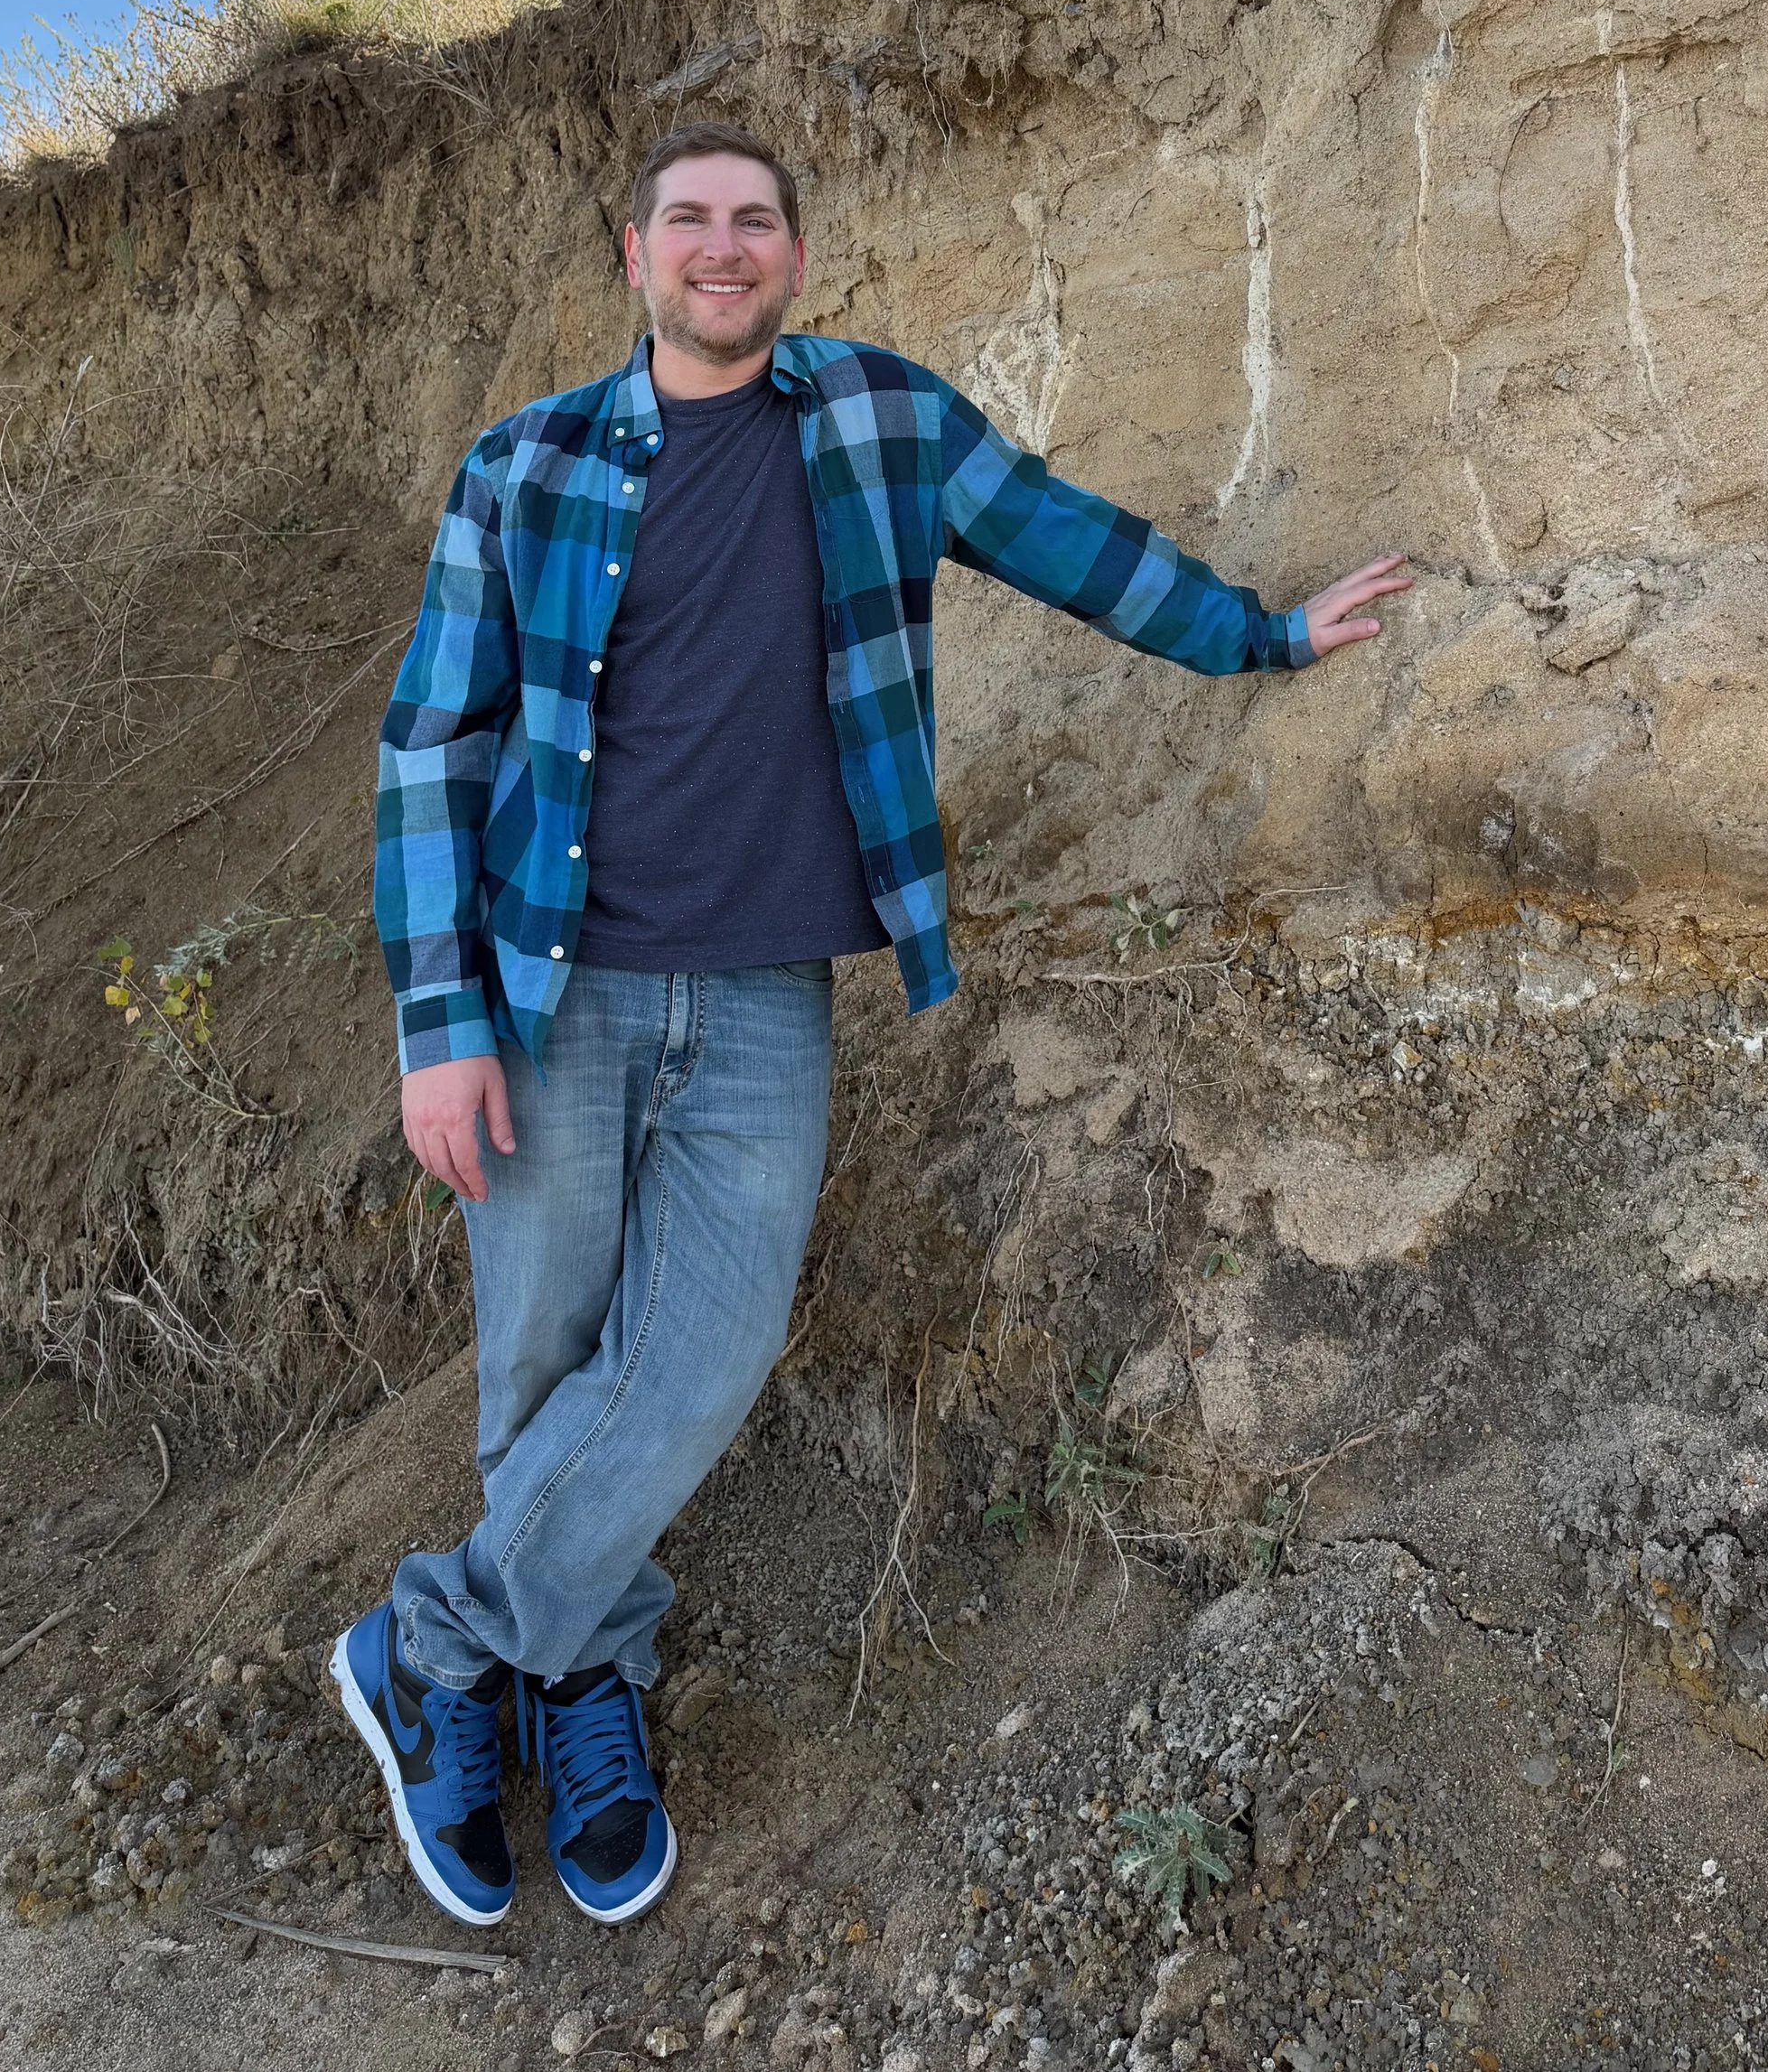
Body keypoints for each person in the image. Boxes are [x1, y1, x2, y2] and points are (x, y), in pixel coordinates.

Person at [334, 118, 1412, 1927]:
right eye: (689, 220)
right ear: (635, 254)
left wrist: (1258, 637)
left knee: (700, 1356)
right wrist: (436, 1021)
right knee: (542, 1370)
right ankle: (573, 1682)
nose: (722, 246)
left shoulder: (883, 425)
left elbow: (1068, 542)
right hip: (549, 990)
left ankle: (428, 1643)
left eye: (754, 220)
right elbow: (430, 747)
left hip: (764, 997)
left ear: (797, 256)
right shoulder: (521, 469)